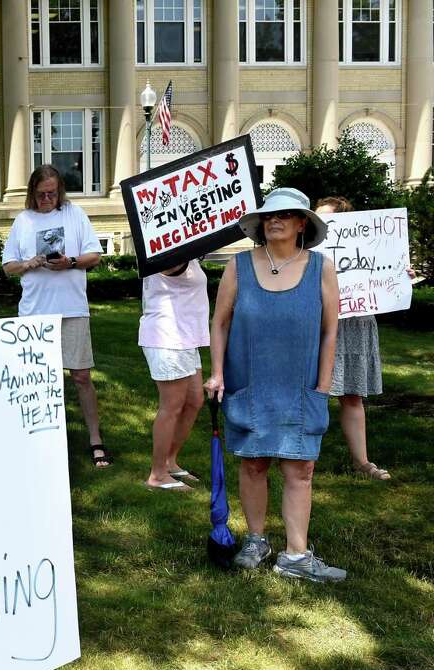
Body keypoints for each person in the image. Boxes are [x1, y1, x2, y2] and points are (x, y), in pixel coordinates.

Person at [204, 188, 344, 583]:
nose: (274, 220)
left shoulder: (321, 268)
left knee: (301, 468)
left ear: (302, 224)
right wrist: (217, 372)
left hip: (301, 386)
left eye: (284, 215)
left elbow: (330, 332)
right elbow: (220, 322)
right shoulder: (239, 266)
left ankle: (296, 555)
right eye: (268, 215)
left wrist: (323, 384)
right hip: (250, 382)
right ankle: (256, 540)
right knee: (254, 463)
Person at [1, 165, 110, 468]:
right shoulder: (23, 220)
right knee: (38, 382)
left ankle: (95, 440)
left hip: (72, 309)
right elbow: (8, 266)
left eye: (52, 193)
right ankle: (40, 443)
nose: (47, 199)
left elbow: (95, 256)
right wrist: (29, 263)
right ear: (32, 193)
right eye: (41, 194)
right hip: (34, 315)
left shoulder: (75, 214)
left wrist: (70, 262)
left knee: (81, 376)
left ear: (60, 190)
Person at [313, 196, 416, 481]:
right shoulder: (306, 248)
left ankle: (362, 462)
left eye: (326, 217)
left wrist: (400, 276)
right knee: (312, 393)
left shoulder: (366, 244)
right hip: (317, 324)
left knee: (352, 395)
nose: (320, 222)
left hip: (356, 324)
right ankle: (301, 458)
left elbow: (385, 280)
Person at [138, 258, 208, 490]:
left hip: (186, 337)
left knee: (194, 401)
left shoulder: (190, 252)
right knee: (172, 406)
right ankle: (157, 475)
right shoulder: (167, 252)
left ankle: (170, 461)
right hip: (167, 336)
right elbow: (171, 266)